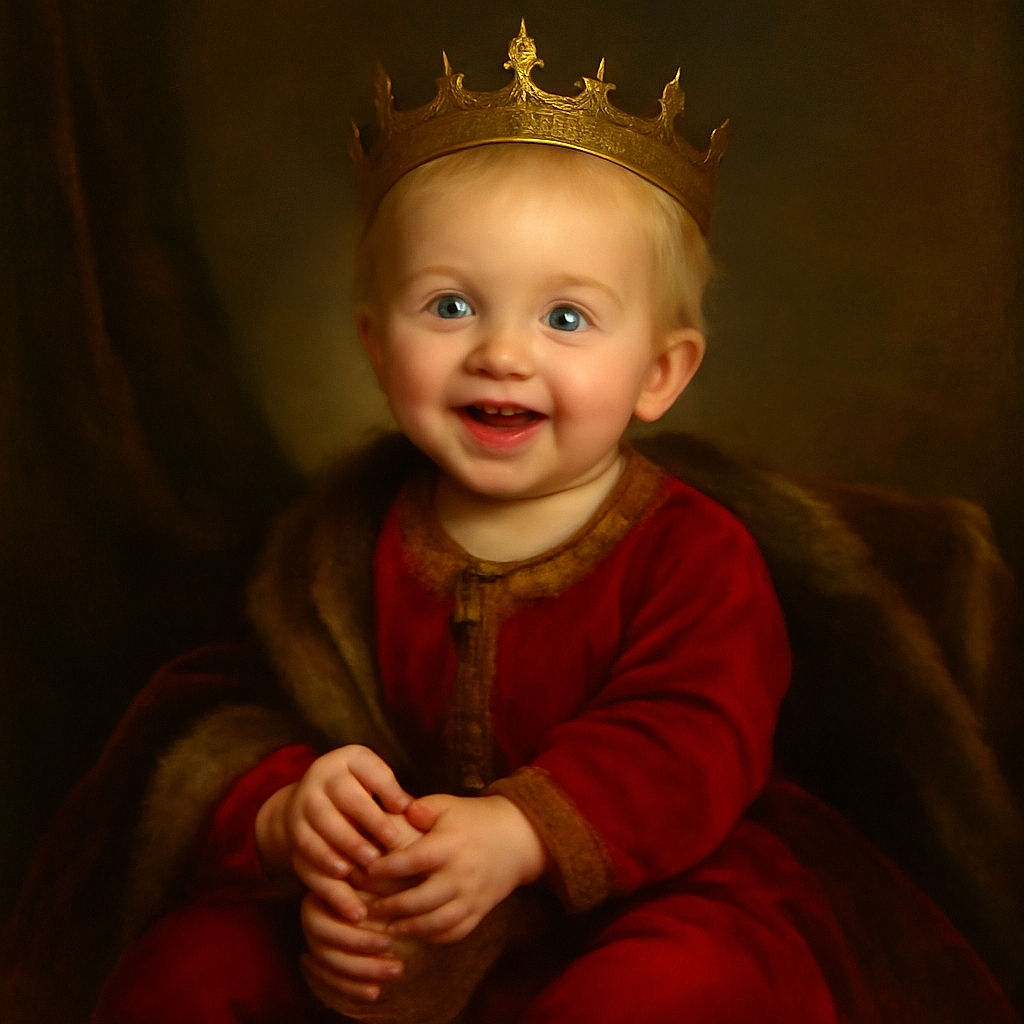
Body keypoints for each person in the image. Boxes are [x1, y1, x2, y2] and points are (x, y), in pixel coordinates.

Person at [14, 22, 1021, 1024]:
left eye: (566, 318)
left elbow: (689, 735)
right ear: (374, 343)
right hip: (408, 911)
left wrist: (520, 829)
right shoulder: (335, 551)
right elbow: (231, 710)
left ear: (660, 373)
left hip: (655, 895)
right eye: (449, 307)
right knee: (188, 971)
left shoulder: (692, 551)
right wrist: (290, 811)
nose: (501, 353)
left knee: (676, 990)